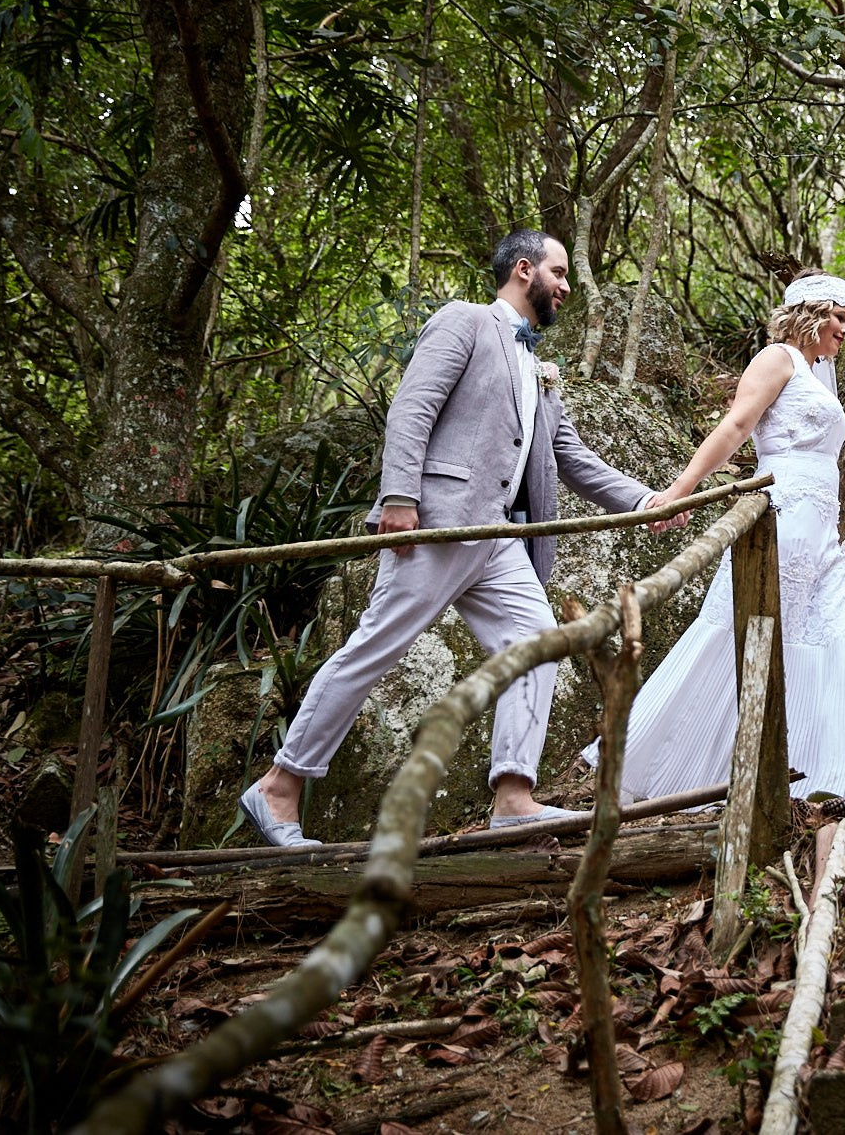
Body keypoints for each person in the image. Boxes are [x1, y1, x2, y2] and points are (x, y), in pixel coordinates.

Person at [239, 229, 683, 847]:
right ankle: (279, 788)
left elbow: (570, 458)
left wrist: (646, 502)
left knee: (540, 645)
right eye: (559, 272)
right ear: (524, 271)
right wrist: (399, 496)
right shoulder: (466, 321)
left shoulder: (541, 371)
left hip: (499, 537)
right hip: (441, 521)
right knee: (374, 650)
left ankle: (514, 797)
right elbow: (414, 405)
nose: (567, 285)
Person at [587, 272, 845, 813]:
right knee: (744, 631)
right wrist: (679, 491)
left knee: (844, 639)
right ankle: (674, 763)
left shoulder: (818, 372)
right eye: (841, 319)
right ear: (813, 312)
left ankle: (839, 774)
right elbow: (736, 426)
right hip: (779, 519)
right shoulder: (776, 359)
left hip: (819, 532)